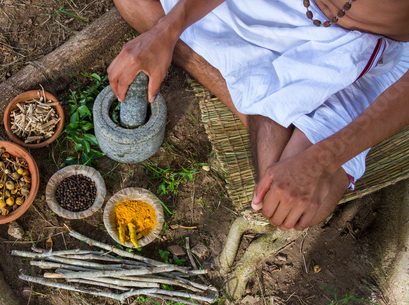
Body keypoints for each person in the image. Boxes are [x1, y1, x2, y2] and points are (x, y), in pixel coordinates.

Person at [107, 0, 409, 231]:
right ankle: (252, 105)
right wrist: (165, 31)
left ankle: (258, 104)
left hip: (362, 45)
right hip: (286, 6)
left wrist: (321, 159)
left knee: (291, 207)